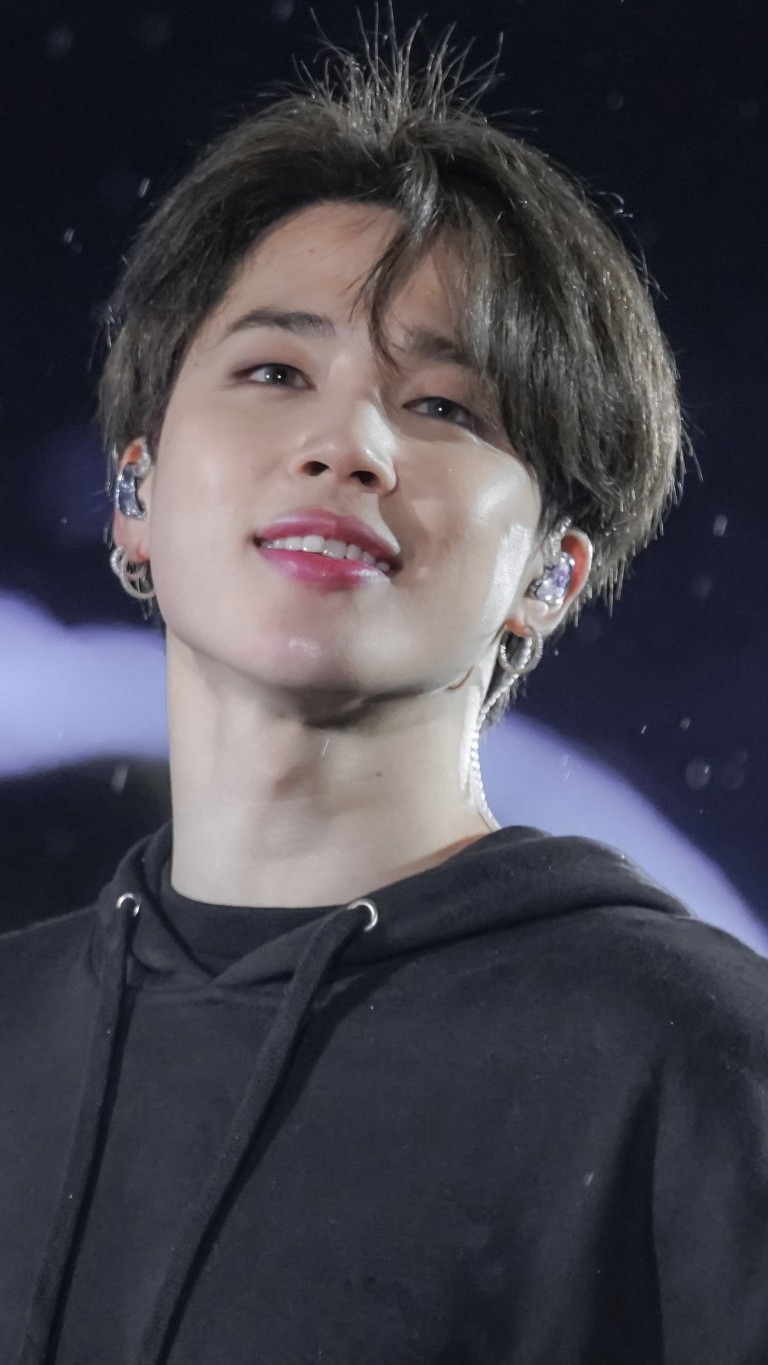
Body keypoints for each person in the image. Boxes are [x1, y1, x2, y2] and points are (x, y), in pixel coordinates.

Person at [3, 33, 767, 1365]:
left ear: (550, 573)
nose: (347, 444)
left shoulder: (688, 1056)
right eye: (276, 372)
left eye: (444, 406)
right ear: (135, 493)